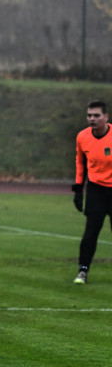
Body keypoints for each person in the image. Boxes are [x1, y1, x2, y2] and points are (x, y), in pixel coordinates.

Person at [72, 100, 112, 285]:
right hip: (96, 190)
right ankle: (83, 271)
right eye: (89, 115)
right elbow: (80, 162)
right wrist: (79, 189)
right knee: (90, 233)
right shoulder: (82, 137)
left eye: (96, 115)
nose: (92, 119)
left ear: (106, 117)